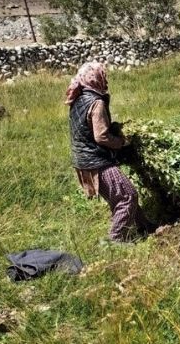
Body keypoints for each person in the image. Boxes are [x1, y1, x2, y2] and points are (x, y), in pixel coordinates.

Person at [65, 61, 153, 243]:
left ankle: (144, 226)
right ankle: (116, 240)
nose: (105, 80)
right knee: (128, 196)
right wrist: (122, 142)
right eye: (103, 76)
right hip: (96, 161)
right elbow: (101, 137)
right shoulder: (96, 102)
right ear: (96, 79)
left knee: (119, 195)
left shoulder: (78, 97)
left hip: (82, 159)